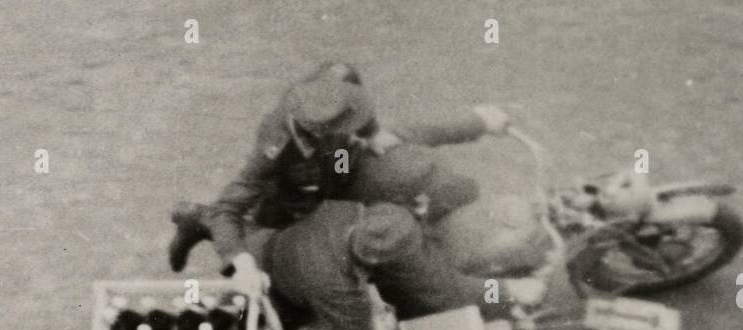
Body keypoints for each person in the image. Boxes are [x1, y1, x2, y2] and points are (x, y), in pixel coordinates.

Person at [167, 67, 512, 294]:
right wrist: (239, 264)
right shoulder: (273, 147)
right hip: (292, 196)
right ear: (314, 131)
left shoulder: (337, 82)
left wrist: (476, 123)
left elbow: (374, 120)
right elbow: (230, 206)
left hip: (339, 165)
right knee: (275, 255)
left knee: (388, 170)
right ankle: (198, 219)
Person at [261, 200, 541, 330]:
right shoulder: (338, 290)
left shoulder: (349, 213)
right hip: (277, 291)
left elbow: (440, 286)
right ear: (374, 261)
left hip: (285, 246)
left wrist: (504, 291)